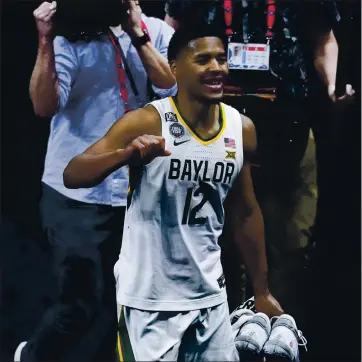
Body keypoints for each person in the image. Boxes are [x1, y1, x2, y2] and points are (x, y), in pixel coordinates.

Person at [63, 27, 283, 361]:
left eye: (221, 59)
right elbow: (73, 173)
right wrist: (125, 155)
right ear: (175, 67)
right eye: (203, 59)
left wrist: (262, 290)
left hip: (209, 297)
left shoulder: (241, 128)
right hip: (149, 301)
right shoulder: (148, 121)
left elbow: (245, 212)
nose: (217, 68)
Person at [164, 0, 352, 310]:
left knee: (285, 240)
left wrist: (331, 84)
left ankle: (273, 332)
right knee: (212, 239)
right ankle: (218, 331)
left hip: (286, 126)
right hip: (210, 125)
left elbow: (323, 39)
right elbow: (170, 34)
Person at [14, 1, 176, 361]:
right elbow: (44, 106)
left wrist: (138, 34)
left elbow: (172, 89)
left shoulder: (157, 31)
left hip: (138, 191)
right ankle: (32, 356)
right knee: (80, 304)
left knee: (127, 305)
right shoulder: (71, 37)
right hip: (76, 192)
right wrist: (45, 40)